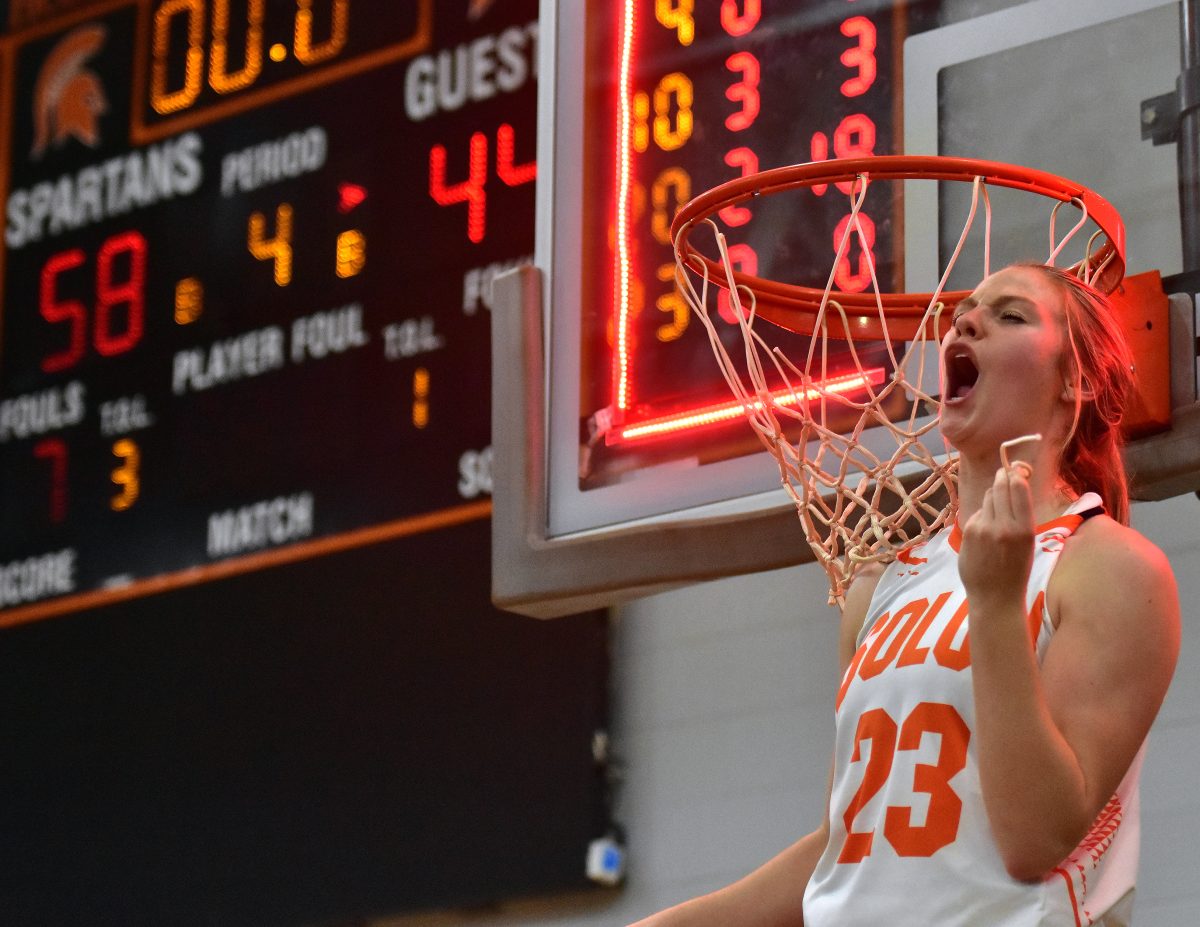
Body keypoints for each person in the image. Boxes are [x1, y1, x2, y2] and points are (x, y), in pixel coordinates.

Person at [629, 263, 1181, 926]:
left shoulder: (1110, 567)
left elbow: (1034, 838)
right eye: (965, 311)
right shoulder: (882, 586)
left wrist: (997, 606)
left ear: (1075, 382)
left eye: (1011, 315)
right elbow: (852, 848)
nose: (966, 320)